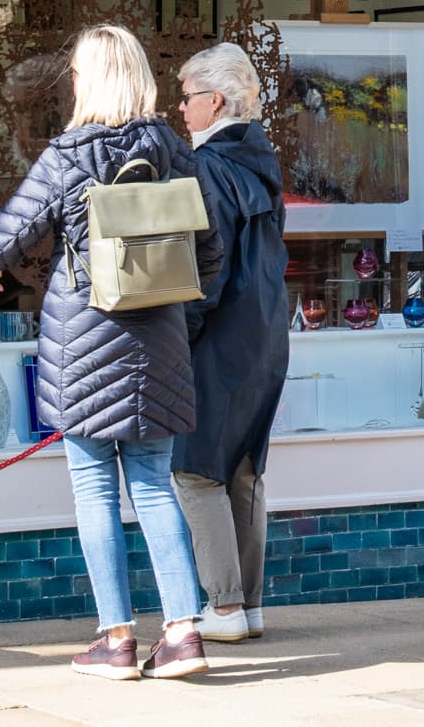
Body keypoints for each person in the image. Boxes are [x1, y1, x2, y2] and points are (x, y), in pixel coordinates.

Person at [0, 25, 220, 682]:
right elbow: (210, 250)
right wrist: (174, 313)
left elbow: (6, 239)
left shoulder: (70, 152)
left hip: (84, 343)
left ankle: (115, 641)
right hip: (157, 341)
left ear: (87, 82)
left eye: (76, 74)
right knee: (154, 486)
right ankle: (185, 631)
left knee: (93, 488)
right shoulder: (171, 148)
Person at [170, 43, 289, 644]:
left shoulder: (206, 166)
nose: (181, 110)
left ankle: (223, 608)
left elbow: (203, 268)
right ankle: (249, 605)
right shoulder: (260, 160)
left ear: (214, 100)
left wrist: (176, 336)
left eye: (187, 97)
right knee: (244, 468)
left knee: (196, 472)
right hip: (266, 332)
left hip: (219, 335)